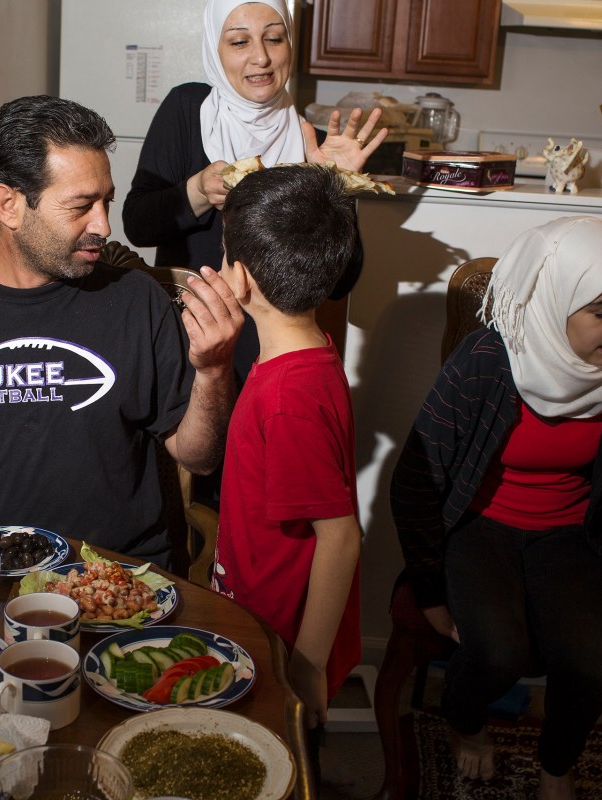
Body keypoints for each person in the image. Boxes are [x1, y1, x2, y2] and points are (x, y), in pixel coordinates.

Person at [0, 95, 241, 567]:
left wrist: (215, 370)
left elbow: (198, 456)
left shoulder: (138, 299)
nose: (103, 225)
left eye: (107, 202)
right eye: (81, 206)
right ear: (9, 205)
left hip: (121, 576)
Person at [390, 216, 602, 800]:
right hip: (481, 526)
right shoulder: (488, 358)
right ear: (553, 300)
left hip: (569, 533)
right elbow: (415, 481)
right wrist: (431, 591)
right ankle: (466, 723)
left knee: (593, 665)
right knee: (496, 652)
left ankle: (556, 766)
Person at [122, 0, 387, 383]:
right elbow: (137, 225)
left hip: (279, 353)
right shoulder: (187, 110)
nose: (260, 57)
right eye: (239, 42)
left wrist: (338, 188)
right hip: (191, 341)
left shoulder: (317, 145)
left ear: (290, 45)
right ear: (216, 48)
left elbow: (340, 283)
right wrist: (197, 191)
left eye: (274, 39)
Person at [209, 165, 361, 757]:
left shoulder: (285, 398)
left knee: (278, 761)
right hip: (261, 620)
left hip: (279, 638)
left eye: (224, 256)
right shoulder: (309, 353)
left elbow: (341, 538)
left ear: (240, 278)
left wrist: (307, 665)